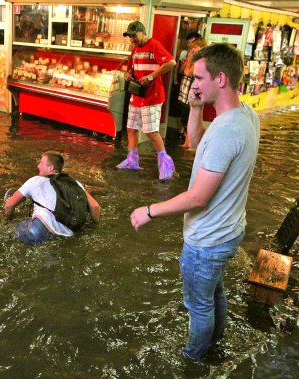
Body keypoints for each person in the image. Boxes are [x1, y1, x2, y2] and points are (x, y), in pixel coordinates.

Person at [130, 43, 260, 361]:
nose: (194, 84)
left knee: (198, 306)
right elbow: (196, 146)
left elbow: (199, 197)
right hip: (229, 230)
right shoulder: (245, 116)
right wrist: (196, 108)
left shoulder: (228, 131)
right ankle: (214, 342)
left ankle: (193, 359)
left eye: (199, 78)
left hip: (208, 239)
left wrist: (150, 210)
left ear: (220, 79)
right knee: (214, 292)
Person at [117, 21, 177, 181]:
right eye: (129, 37)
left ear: (143, 32)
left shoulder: (154, 45)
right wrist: (128, 74)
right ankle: (132, 160)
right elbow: (131, 68)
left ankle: (166, 164)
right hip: (137, 96)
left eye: (134, 36)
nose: (132, 39)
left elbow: (171, 62)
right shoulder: (135, 49)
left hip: (152, 96)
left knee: (150, 131)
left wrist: (151, 76)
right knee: (131, 128)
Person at [4, 152, 101, 244]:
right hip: (68, 234)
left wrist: (8, 219)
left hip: (38, 230)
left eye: (41, 163)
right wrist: (94, 227)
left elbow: (9, 205)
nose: (38, 166)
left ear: (50, 168)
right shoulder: (75, 183)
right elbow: (95, 206)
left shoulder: (35, 180)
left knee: (9, 233)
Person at [177, 38, 207, 148]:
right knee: (185, 116)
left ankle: (191, 143)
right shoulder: (197, 59)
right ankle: (187, 141)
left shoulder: (200, 60)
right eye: (192, 47)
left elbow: (188, 72)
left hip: (193, 91)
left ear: (201, 48)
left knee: (189, 116)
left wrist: (189, 60)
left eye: (195, 47)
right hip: (187, 90)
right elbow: (182, 71)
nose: (192, 49)